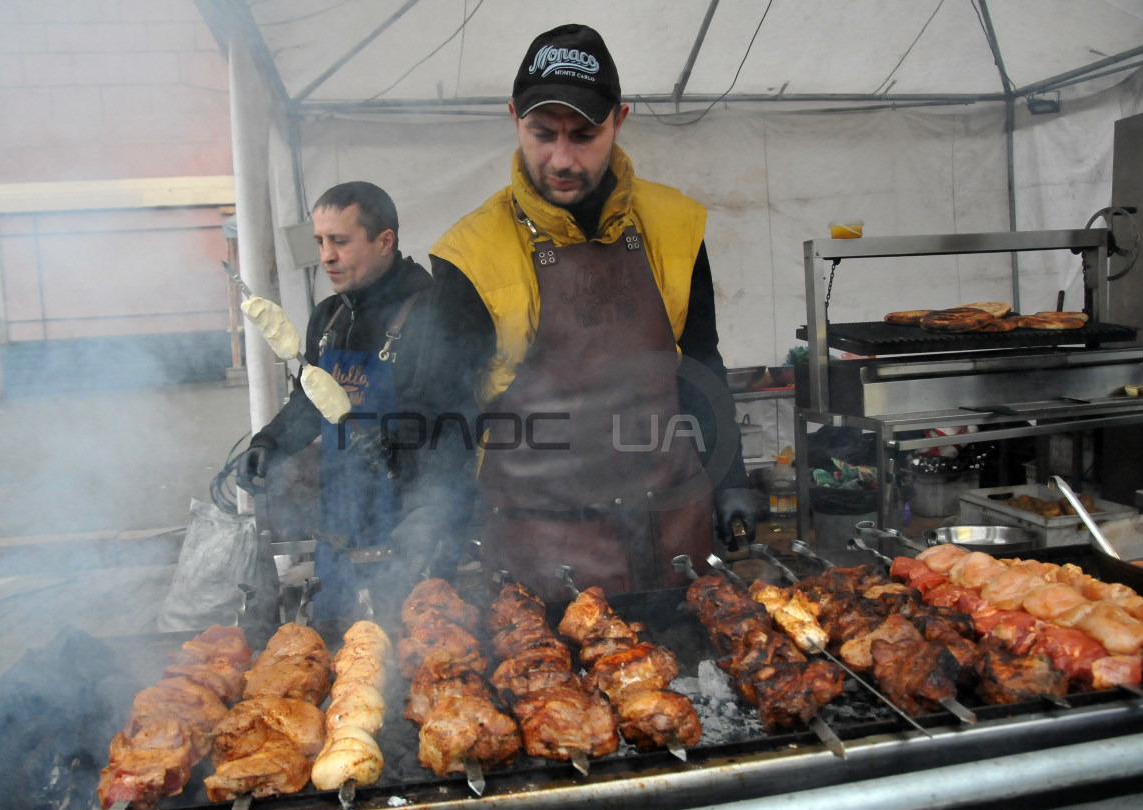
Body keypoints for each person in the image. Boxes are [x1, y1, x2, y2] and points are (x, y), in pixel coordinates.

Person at [420, 24, 760, 601]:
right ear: (513, 117)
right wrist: (437, 529)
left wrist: (728, 477)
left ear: (619, 120)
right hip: (543, 558)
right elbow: (444, 412)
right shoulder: (471, 254)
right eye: (542, 134)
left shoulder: (675, 224)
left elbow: (701, 361)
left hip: (673, 536)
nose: (562, 158)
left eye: (584, 135)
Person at [237, 181, 471, 621]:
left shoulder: (435, 314)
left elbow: (455, 418)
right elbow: (309, 403)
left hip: (411, 521)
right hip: (342, 518)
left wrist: (396, 438)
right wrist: (268, 443)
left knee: (414, 646)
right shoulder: (329, 318)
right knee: (334, 646)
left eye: (340, 241)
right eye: (321, 242)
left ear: (385, 242)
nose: (326, 256)